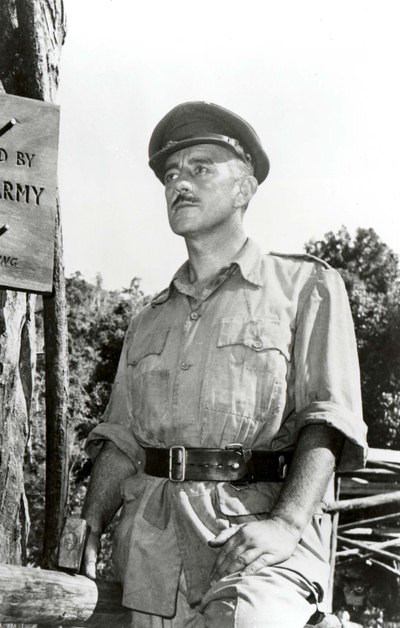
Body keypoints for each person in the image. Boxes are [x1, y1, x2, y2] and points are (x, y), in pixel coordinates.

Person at [80, 102, 368, 628]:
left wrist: (285, 524)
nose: (179, 184)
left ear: (244, 189)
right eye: (171, 174)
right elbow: (121, 438)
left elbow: (328, 420)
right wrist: (90, 525)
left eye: (200, 168)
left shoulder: (305, 287)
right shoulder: (149, 318)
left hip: (259, 542)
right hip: (152, 552)